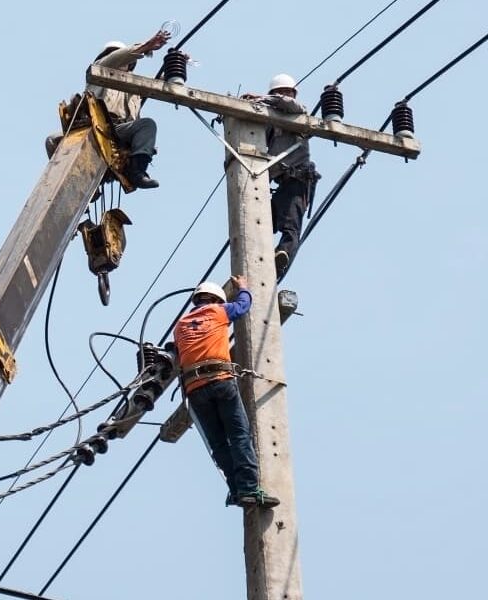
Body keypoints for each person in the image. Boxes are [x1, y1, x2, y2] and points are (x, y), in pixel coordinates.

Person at [173, 276, 280, 508]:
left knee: (220, 444)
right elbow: (243, 306)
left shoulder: (180, 326)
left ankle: (236, 489)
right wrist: (243, 287)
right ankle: (249, 488)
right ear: (216, 299)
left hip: (194, 389)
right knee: (240, 434)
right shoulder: (218, 311)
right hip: (220, 381)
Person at [46, 30, 172, 189]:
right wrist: (146, 46)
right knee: (52, 140)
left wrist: (176, 64)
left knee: (147, 125)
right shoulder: (100, 69)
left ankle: (137, 172)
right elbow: (118, 57)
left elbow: (161, 84)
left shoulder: (135, 85)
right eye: (114, 54)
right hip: (96, 126)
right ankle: (71, 182)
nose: (119, 58)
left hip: (121, 131)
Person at [242, 74, 321, 278]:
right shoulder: (270, 122)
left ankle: (282, 255)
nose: (284, 95)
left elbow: (289, 104)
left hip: (298, 181)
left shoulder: (298, 112)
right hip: (281, 184)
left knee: (291, 226)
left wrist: (262, 98)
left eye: (287, 92)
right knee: (259, 220)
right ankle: (260, 260)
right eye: (280, 92)